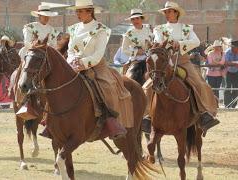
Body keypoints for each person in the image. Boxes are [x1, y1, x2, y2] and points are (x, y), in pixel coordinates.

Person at [143, 1, 219, 135]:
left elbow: (195, 41)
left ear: (176, 13)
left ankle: (203, 114)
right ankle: (147, 116)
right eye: (165, 12)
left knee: (200, 84)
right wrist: (169, 44)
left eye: (170, 11)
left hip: (183, 61)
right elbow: (159, 41)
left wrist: (181, 43)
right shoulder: (159, 29)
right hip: (164, 62)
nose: (167, 14)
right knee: (147, 86)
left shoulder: (186, 28)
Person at [65, 0, 131, 139]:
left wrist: (81, 63)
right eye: (77, 11)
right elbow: (70, 49)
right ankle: (51, 120)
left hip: (96, 65)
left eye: (81, 11)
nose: (78, 14)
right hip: (73, 64)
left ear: (90, 11)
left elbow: (98, 54)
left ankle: (112, 122)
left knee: (107, 87)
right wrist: (71, 61)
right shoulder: (73, 28)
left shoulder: (101, 29)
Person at [16, 4, 60, 118]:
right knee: (24, 73)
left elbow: (54, 46)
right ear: (39, 16)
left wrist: (47, 50)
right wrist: (38, 48)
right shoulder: (29, 27)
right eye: (44, 16)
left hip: (47, 58)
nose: (46, 18)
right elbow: (27, 42)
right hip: (31, 56)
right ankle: (22, 101)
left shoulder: (53, 30)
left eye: (48, 16)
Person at [224, 40, 238, 108]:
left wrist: (232, 63)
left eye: (234, 47)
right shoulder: (227, 52)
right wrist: (235, 63)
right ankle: (227, 104)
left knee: (236, 88)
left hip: (237, 72)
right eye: (232, 47)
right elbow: (226, 63)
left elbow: (229, 63)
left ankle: (233, 105)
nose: (233, 49)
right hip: (228, 72)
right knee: (228, 87)